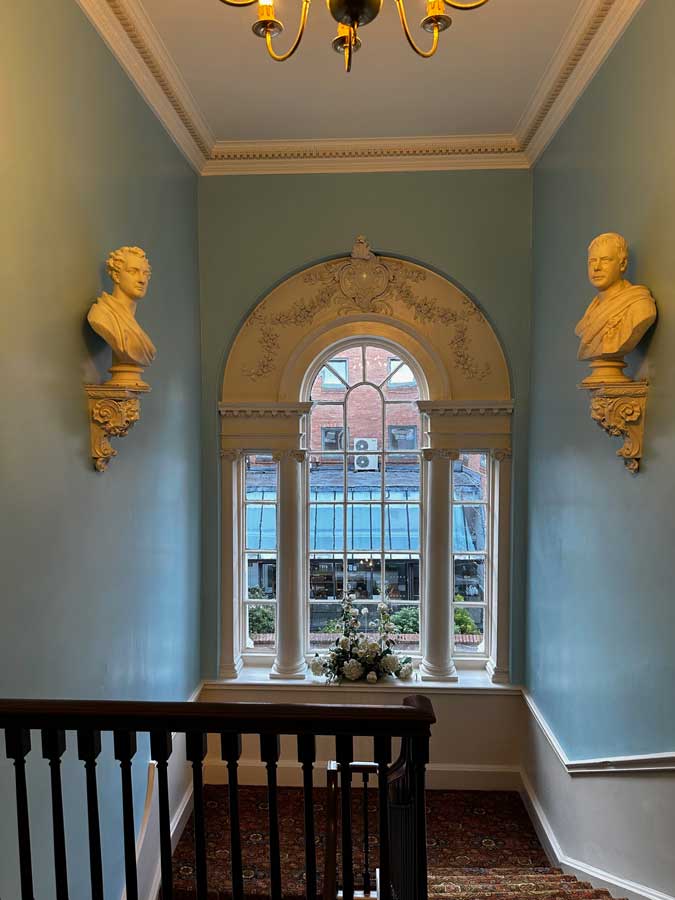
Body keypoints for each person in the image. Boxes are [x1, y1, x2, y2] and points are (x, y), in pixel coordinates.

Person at [575, 233, 656, 382]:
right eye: (592, 261)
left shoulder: (640, 306)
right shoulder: (590, 313)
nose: (597, 267)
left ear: (623, 264)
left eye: (605, 260)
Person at [87, 246, 156, 369]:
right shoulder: (101, 315)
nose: (142, 280)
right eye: (133, 271)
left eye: (145, 273)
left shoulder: (132, 324)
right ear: (116, 275)